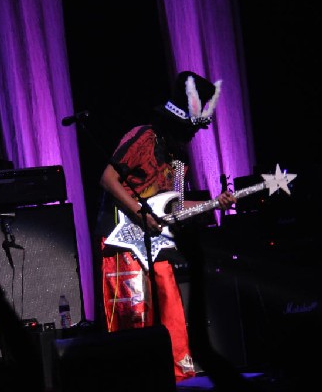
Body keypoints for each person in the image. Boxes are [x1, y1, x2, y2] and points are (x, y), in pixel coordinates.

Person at [96, 71, 237, 382]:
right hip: (123, 241)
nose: (190, 138)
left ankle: (177, 376)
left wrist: (214, 203)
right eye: (188, 131)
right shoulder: (143, 137)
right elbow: (108, 178)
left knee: (170, 308)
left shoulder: (179, 161)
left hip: (155, 243)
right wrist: (138, 213)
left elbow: (174, 206)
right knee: (133, 316)